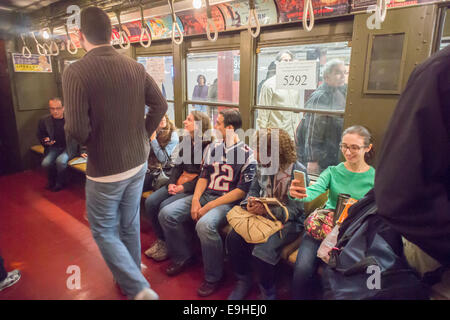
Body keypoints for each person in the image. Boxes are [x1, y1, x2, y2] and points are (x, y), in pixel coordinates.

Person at [62, 7, 167, 300]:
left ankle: (138, 288)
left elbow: (76, 129)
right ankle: (130, 272)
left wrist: (94, 142)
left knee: (104, 230)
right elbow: (160, 105)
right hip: (137, 162)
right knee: (129, 221)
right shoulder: (135, 67)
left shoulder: (76, 71)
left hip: (106, 167)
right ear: (112, 34)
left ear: (80, 36)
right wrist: (141, 135)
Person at [374, 45, 450, 299]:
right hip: (437, 252)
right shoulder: (440, 72)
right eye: (345, 147)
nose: (348, 152)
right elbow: (400, 195)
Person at [158, 109, 257, 297]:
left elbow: (241, 191)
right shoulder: (213, 148)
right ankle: (183, 257)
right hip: (205, 195)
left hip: (225, 202)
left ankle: (213, 276)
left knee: (204, 225)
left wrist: (209, 206)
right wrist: (195, 200)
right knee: (167, 214)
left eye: (218, 123)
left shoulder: (248, 154)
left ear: (229, 128)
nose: (214, 126)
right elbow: (204, 176)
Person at [289, 125, 375, 299]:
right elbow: (312, 191)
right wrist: (299, 193)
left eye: (354, 147)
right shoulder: (333, 171)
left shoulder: (375, 178)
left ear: (368, 148)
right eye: (344, 146)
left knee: (332, 276)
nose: (348, 152)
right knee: (302, 270)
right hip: (322, 227)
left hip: (349, 234)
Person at [227, 128, 307, 300]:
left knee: (262, 252)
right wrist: (249, 204)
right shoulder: (261, 166)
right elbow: (253, 191)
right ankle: (244, 279)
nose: (255, 154)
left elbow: (296, 210)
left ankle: (268, 291)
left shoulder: (297, 172)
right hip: (262, 215)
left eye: (261, 151)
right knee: (233, 238)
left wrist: (268, 211)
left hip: (288, 221)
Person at [143, 110, 212, 262]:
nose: (185, 122)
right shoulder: (185, 140)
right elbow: (177, 166)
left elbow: (204, 177)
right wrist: (172, 183)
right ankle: (163, 241)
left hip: (194, 188)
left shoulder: (209, 147)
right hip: (179, 181)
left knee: (164, 206)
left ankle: (180, 249)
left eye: (189, 120)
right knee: (151, 202)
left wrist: (183, 187)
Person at [295, 59, 347, 175]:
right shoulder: (320, 97)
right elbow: (312, 130)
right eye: (338, 72)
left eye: (344, 72)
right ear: (327, 77)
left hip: (333, 152)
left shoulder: (342, 92)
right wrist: (312, 159)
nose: (343, 76)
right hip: (322, 157)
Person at [37, 97, 81, 192]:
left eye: (58, 108)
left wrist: (83, 150)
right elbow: (41, 135)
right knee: (46, 163)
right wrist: (46, 141)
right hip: (54, 147)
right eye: (52, 108)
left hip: (69, 147)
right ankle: (51, 180)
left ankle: (60, 182)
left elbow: (80, 136)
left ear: (63, 108)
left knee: (60, 161)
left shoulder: (71, 120)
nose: (55, 111)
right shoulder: (44, 120)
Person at [257, 50, 301, 139]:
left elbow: (296, 112)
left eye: (290, 61)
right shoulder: (269, 85)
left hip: (292, 136)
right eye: (285, 60)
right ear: (277, 63)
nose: (288, 63)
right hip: (276, 136)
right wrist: (263, 137)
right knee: (274, 153)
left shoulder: (295, 85)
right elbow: (263, 114)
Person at [142, 114, 178, 192]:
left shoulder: (172, 135)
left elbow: (163, 159)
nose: (162, 118)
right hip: (144, 168)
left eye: (163, 114)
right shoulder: (147, 130)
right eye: (158, 115)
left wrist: (153, 139)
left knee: (134, 188)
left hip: (158, 171)